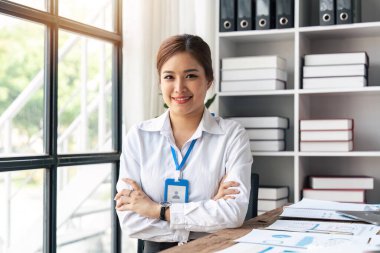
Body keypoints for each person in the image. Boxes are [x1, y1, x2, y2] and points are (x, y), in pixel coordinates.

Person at [114, 34, 253, 253]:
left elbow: (232, 214)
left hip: (214, 249)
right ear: (160, 82)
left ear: (208, 80)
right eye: (169, 77)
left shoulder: (231, 136)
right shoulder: (139, 137)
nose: (179, 88)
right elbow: (131, 222)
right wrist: (208, 210)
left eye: (190, 75)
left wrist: (156, 210)